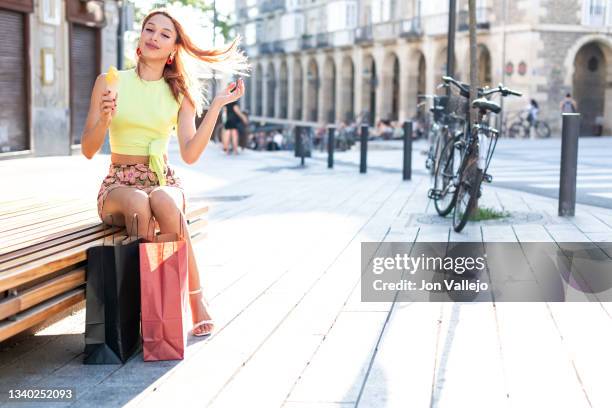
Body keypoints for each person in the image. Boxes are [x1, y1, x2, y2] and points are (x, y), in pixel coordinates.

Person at [80, 8, 249, 337]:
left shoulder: (180, 94)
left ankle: (194, 300)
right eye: (149, 30)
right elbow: (88, 149)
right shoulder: (110, 81)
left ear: (174, 49)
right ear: (140, 38)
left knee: (164, 201)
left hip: (161, 179)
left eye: (164, 34)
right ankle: (148, 308)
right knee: (141, 204)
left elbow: (190, 153)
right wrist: (103, 118)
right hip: (119, 183)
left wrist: (214, 107)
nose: (154, 37)